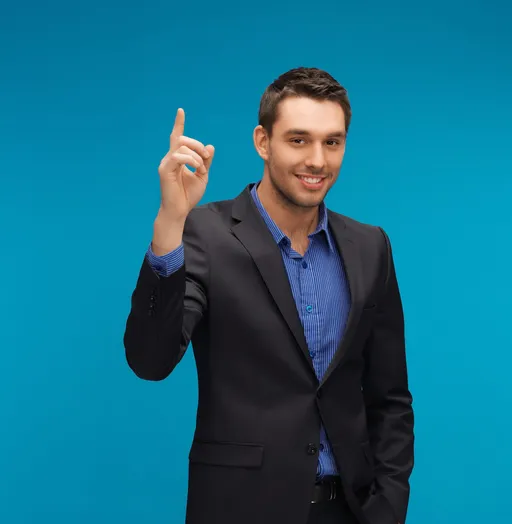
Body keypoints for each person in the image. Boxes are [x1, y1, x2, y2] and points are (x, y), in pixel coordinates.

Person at [123, 66, 414, 524]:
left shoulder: (370, 246)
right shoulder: (204, 235)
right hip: (240, 508)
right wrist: (170, 225)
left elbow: (390, 397)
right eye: (298, 140)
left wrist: (388, 507)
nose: (317, 160)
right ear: (263, 142)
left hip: (351, 511)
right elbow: (150, 359)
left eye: (332, 142)